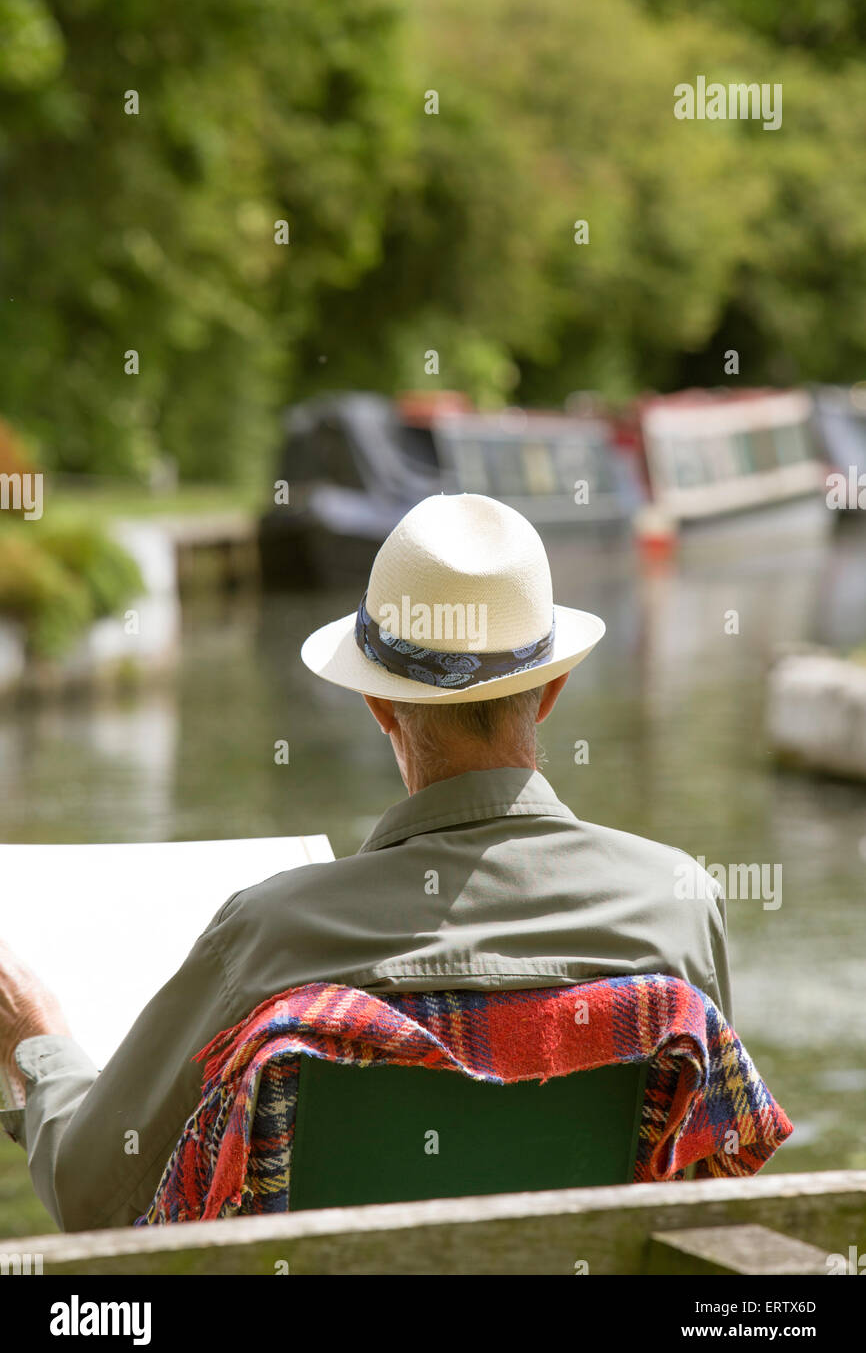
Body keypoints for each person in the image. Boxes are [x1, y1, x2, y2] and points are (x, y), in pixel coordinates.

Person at [0, 493, 730, 1230]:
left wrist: (37, 1036)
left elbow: (93, 1196)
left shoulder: (271, 936)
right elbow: (703, 1182)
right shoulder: (678, 905)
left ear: (378, 704)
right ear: (550, 693)